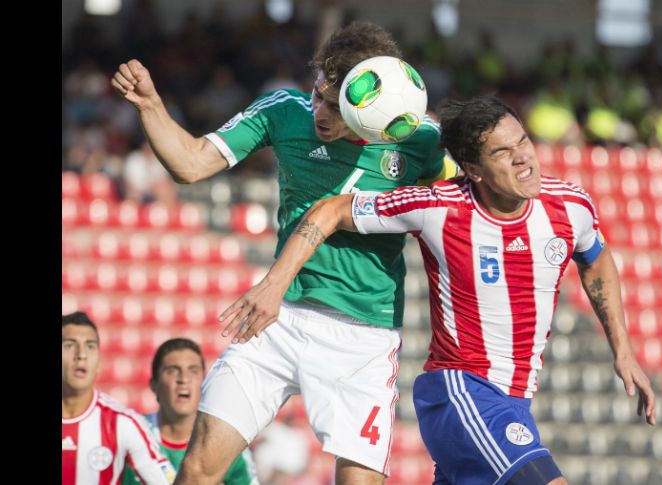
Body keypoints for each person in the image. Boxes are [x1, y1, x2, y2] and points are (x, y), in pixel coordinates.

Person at [224, 96, 657, 485]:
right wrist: (274, 285)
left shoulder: (570, 205)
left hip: (516, 400)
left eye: (522, 141)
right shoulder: (438, 206)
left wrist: (623, 350)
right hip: (460, 390)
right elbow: (332, 209)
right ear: (472, 170)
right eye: (501, 152)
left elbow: (596, 262)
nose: (522, 158)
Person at [112, 21, 458, 485]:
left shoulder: (419, 141)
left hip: (362, 337)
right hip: (276, 319)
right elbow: (191, 163)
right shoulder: (283, 111)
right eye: (317, 94)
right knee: (196, 472)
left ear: (372, 108)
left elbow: (464, 207)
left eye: (335, 106)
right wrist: (151, 106)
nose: (319, 111)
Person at [121, 338, 258, 484]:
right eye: (172, 370)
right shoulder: (129, 433)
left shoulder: (227, 442)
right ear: (154, 384)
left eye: (193, 371)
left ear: (205, 383)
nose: (184, 379)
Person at [62, 311, 175, 485]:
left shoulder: (122, 422)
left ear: (98, 362)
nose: (81, 355)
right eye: (70, 345)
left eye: (90, 346)